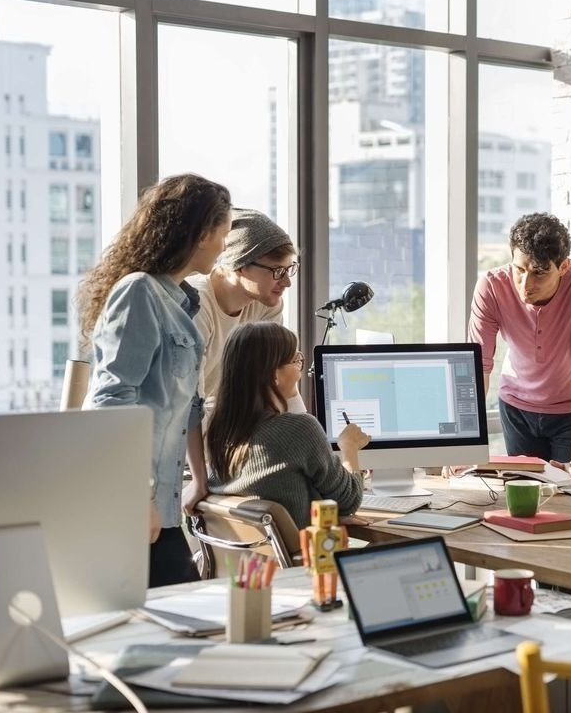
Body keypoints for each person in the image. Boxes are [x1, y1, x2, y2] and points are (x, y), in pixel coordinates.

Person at [79, 173, 232, 587]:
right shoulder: (139, 293)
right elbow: (111, 402)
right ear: (203, 234)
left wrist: (200, 480)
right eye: (224, 234)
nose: (224, 246)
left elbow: (190, 408)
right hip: (130, 505)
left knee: (179, 611)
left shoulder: (184, 303)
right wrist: (137, 496)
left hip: (162, 507)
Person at [468, 213, 571, 480]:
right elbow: (477, 370)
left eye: (539, 272)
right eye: (519, 270)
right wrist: (463, 450)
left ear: (563, 266)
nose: (526, 285)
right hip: (517, 408)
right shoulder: (491, 286)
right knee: (521, 491)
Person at [205, 321, 369, 529]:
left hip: (255, 550)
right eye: (296, 361)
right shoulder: (299, 429)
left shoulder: (220, 432)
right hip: (299, 551)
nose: (300, 371)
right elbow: (348, 501)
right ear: (273, 375)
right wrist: (349, 447)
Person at [187, 208, 304, 428]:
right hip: (185, 432)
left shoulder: (267, 305)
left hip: (226, 425)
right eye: (278, 271)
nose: (287, 282)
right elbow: (190, 404)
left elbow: (275, 380)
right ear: (240, 265)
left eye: (290, 269)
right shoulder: (196, 305)